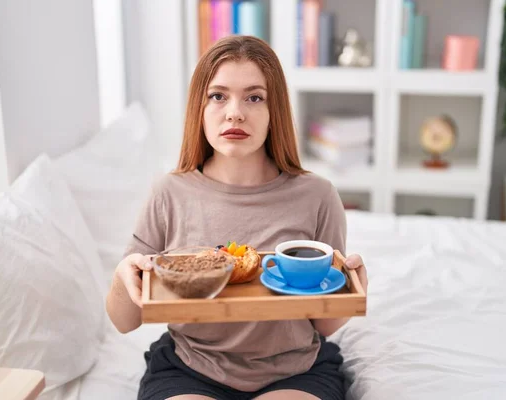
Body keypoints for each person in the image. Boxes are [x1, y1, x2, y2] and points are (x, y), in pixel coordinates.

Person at [106, 35, 369, 400]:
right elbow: (124, 321)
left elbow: (322, 323)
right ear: (199, 107)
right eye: (218, 96)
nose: (235, 112)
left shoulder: (318, 195)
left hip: (296, 370)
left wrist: (352, 292)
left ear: (274, 110)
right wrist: (123, 276)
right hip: (189, 368)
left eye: (254, 97)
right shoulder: (168, 192)